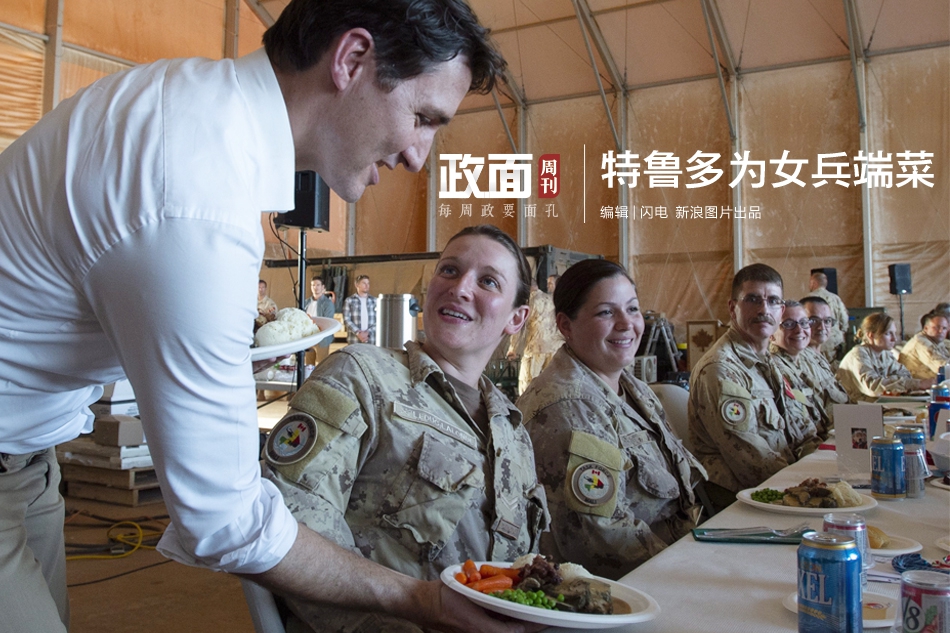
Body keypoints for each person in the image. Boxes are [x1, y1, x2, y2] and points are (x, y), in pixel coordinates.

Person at [0, 1, 526, 631]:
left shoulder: (197, 111)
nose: (418, 156)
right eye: (421, 117)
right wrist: (419, 601)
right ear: (351, 59)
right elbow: (221, 517)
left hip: (28, 456)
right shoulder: (196, 193)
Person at [264, 225, 547, 632]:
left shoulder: (513, 432)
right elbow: (290, 526)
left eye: (487, 281)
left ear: (516, 318)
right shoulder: (362, 376)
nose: (460, 288)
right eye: (449, 271)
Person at [517, 260, 705, 580]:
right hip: (632, 586)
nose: (626, 324)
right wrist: (693, 573)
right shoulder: (567, 408)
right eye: (606, 312)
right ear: (565, 325)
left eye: (632, 309)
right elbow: (602, 540)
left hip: (679, 551)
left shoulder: (629, 386)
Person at [688, 264, 820, 510]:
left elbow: (802, 429)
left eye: (772, 301)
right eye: (752, 300)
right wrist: (810, 489)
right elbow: (752, 463)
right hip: (744, 501)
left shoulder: (768, 362)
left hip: (783, 486)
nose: (763, 309)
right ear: (732, 308)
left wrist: (821, 463)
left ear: (781, 311)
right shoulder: (721, 369)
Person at [769, 301, 839, 439]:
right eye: (789, 324)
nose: (799, 330)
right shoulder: (774, 369)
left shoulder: (808, 359)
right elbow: (799, 430)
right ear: (771, 334)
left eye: (804, 322)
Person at [837, 313, 934, 402]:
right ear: (871, 335)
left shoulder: (884, 354)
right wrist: (918, 384)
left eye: (894, 333)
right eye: (888, 334)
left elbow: (904, 375)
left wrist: (901, 383)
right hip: (853, 410)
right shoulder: (858, 355)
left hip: (873, 407)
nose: (894, 339)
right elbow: (873, 387)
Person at [798, 296, 851, 426]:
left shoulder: (820, 358)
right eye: (813, 320)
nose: (822, 327)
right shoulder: (799, 360)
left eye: (827, 321)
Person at [506, 279, 563, 395]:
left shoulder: (530, 302)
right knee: (551, 383)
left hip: (535, 348)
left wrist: (513, 348)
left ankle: (527, 411)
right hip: (554, 348)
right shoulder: (551, 300)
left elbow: (519, 326)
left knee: (527, 383)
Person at [807, 271, 849, 363]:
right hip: (834, 340)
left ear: (814, 283)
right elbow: (844, 319)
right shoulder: (836, 298)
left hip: (817, 340)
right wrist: (840, 333)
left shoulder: (808, 299)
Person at [898, 311, 950, 380]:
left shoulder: (938, 341)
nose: (941, 331)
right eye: (937, 327)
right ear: (926, 328)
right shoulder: (921, 343)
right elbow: (943, 369)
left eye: (944, 328)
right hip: (914, 387)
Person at [303, 276, 336, 365]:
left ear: (323, 287)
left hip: (322, 338)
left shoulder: (327, 303)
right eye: (313, 285)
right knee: (309, 364)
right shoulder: (306, 303)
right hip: (308, 337)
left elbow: (327, 321)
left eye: (318, 285)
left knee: (322, 364)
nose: (315, 287)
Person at [343, 274, 377, 345]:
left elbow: (379, 320)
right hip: (354, 339)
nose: (367, 285)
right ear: (357, 285)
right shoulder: (349, 301)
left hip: (371, 339)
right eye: (364, 283)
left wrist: (368, 332)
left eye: (368, 283)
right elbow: (346, 319)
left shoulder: (375, 301)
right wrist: (358, 333)